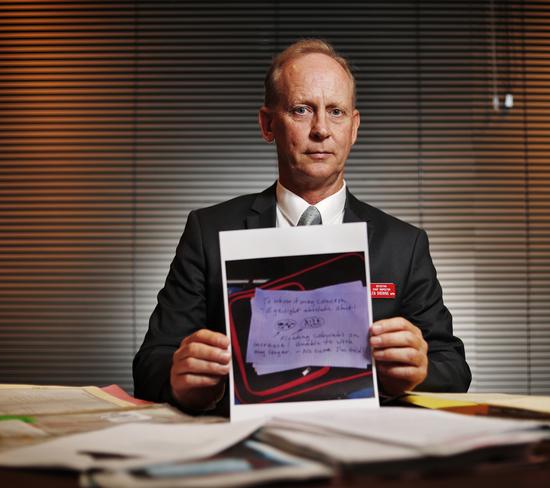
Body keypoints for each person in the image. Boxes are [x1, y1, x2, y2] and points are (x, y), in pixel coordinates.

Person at [133, 39, 471, 415]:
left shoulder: (404, 245)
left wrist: (416, 374)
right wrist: (181, 382)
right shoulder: (208, 232)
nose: (321, 129)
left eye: (337, 112)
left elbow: (454, 368)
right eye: (301, 109)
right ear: (267, 123)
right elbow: (151, 361)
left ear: (354, 128)